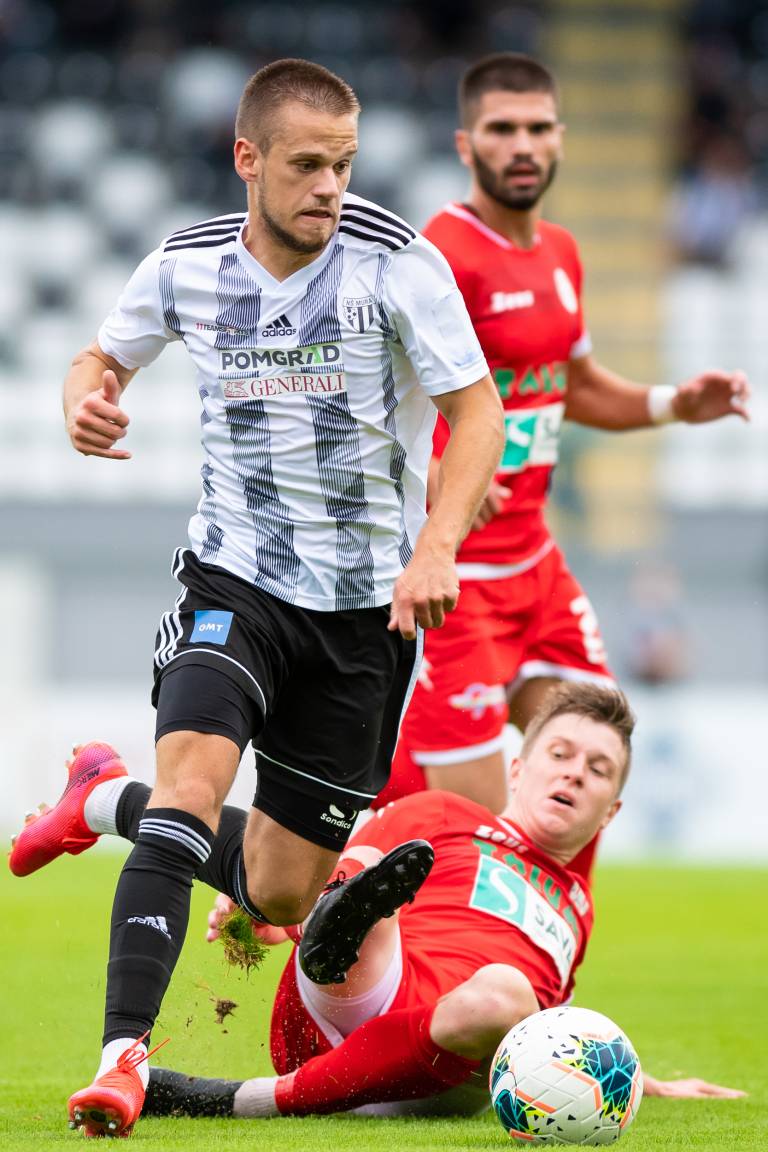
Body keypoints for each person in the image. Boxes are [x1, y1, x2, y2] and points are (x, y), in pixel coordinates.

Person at [9, 58, 504, 1137]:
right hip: (234, 579)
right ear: (248, 158)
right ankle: (123, 1060)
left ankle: (97, 799)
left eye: (345, 165)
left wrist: (437, 547)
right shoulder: (185, 266)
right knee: (190, 787)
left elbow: (479, 413)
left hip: (365, 616)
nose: (331, 187)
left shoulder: (397, 266)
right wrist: (84, 399)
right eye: (308, 165)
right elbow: (98, 358)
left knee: (280, 892)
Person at [27, 684, 738, 1120]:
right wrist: (275, 916)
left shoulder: (579, 908)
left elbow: (550, 1027)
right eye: (561, 755)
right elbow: (330, 871)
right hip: (352, 998)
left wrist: (630, 1078)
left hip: (457, 1056)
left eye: (598, 769)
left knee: (506, 996)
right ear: (520, 768)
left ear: (612, 810)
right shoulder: (444, 814)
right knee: (363, 886)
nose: (575, 774)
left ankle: (105, 798)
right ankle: (326, 946)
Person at [377, 52, 751, 817]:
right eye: (501, 128)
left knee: (592, 763)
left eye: (537, 127)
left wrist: (675, 404)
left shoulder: (560, 252)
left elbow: (572, 385)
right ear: (465, 144)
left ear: (559, 138)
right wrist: (441, 479)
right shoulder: (440, 257)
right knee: (473, 830)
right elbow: (374, 400)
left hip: (537, 566)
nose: (522, 144)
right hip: (453, 580)